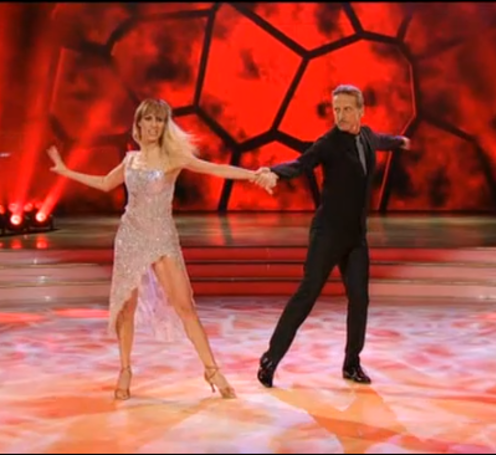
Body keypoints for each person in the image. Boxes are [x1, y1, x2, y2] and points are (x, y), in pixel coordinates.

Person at [46, 98, 276, 400]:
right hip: (130, 237)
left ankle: (211, 370)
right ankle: (125, 369)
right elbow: (104, 183)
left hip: (162, 238)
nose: (154, 125)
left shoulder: (173, 158)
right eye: (149, 119)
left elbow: (216, 169)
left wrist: (253, 174)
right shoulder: (130, 160)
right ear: (138, 124)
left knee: (185, 307)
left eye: (160, 120)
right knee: (126, 309)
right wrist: (65, 171)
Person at [255, 84, 410, 388]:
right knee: (307, 295)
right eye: (336, 109)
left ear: (361, 111)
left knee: (360, 299)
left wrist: (400, 141)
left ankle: (352, 364)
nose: (340, 115)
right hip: (327, 234)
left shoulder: (367, 136)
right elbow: (302, 163)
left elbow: (382, 140)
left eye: (347, 109)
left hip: (355, 237)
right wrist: (274, 172)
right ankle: (270, 359)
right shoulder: (328, 143)